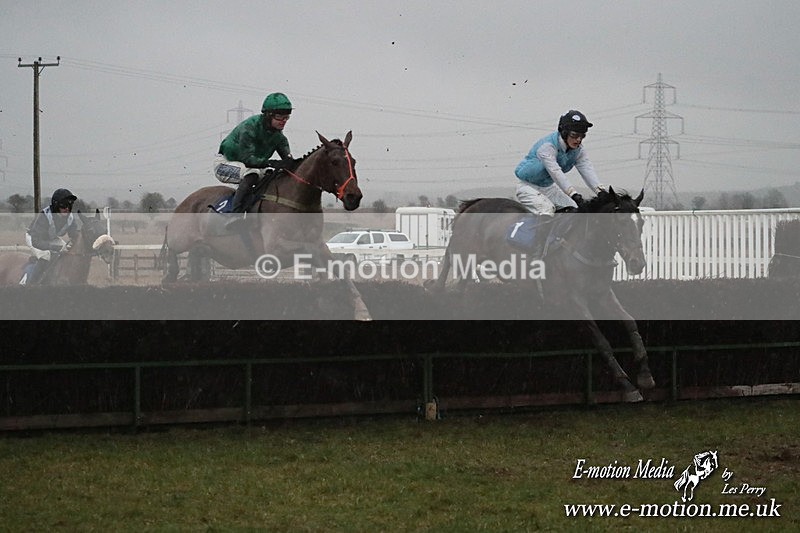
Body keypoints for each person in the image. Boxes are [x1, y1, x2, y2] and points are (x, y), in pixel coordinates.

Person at [213, 92, 295, 228]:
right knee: (251, 174)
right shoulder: (249, 128)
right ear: (268, 115)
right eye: (279, 116)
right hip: (225, 164)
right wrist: (270, 162)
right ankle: (235, 216)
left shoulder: (279, 138)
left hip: (252, 166)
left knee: (272, 175)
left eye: (286, 117)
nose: (283, 121)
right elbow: (248, 159)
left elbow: (289, 162)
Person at [514, 110, 606, 215]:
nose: (579, 140)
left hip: (548, 188)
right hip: (527, 187)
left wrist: (600, 191)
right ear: (564, 132)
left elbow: (586, 169)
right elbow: (555, 172)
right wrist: (573, 194)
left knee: (576, 209)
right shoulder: (547, 147)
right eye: (574, 135)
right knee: (547, 210)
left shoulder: (578, 150)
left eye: (582, 136)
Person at [21, 188, 79, 285]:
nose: (67, 208)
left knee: (66, 253)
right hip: (34, 239)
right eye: (64, 205)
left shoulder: (70, 218)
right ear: (56, 204)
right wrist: (55, 248)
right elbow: (36, 241)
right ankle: (30, 285)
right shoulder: (44, 216)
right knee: (46, 256)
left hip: (51, 238)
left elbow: (75, 235)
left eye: (69, 205)